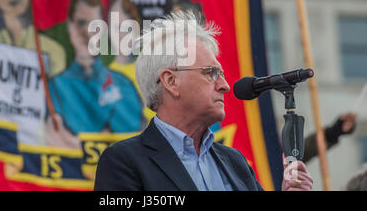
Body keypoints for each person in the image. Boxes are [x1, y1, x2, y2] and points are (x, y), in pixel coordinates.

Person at [94, 11, 313, 191]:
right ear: (171, 81)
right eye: (211, 73)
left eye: (222, 74)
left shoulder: (235, 162)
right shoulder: (124, 162)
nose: (225, 86)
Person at [46, 0, 145, 148]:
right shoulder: (53, 87)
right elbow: (50, 139)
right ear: (70, 27)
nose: (87, 32)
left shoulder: (125, 85)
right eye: (81, 23)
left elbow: (142, 143)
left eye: (95, 25)